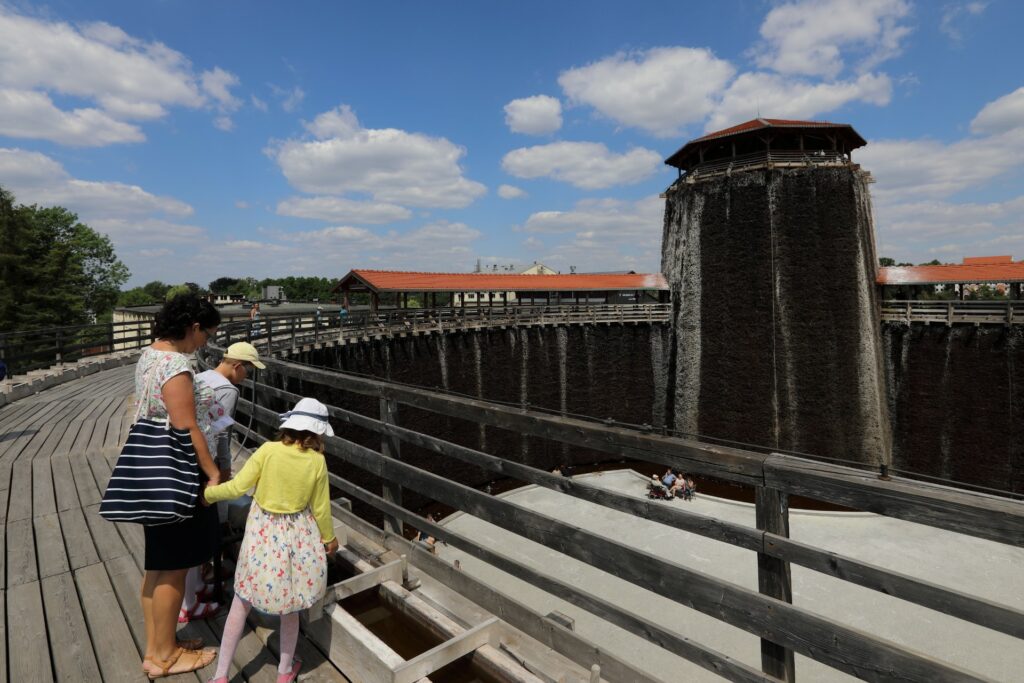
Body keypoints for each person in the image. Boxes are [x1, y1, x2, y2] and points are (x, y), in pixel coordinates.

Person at [204, 397, 339, 683]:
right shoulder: (317, 461)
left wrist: (208, 495)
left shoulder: (267, 450)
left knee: (242, 601)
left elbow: (239, 486)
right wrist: (329, 539)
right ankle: (284, 672)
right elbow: (321, 508)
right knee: (290, 607)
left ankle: (220, 675)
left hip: (261, 533)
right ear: (316, 432)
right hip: (296, 534)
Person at [136, 293, 221, 678]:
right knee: (172, 567)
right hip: (177, 471)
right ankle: (167, 656)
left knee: (157, 565)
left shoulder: (149, 355)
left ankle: (157, 648)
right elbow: (186, 426)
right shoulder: (175, 365)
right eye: (206, 334)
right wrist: (213, 473)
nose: (205, 343)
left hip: (152, 471)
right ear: (194, 327)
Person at [178, 342, 266, 623]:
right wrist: (224, 468)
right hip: (206, 463)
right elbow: (220, 432)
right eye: (248, 372)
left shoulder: (202, 377)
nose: (247, 378)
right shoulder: (227, 390)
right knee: (200, 532)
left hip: (186, 458)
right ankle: (190, 602)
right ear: (237, 366)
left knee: (192, 529)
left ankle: (195, 589)